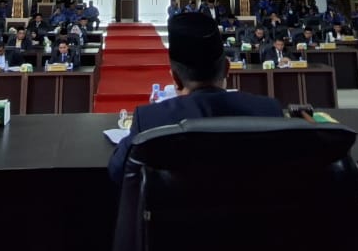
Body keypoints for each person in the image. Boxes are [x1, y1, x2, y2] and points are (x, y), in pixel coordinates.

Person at [107, 12, 282, 186]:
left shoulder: (150, 121)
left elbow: (117, 171)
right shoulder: (269, 111)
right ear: (227, 69)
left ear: (175, 79)